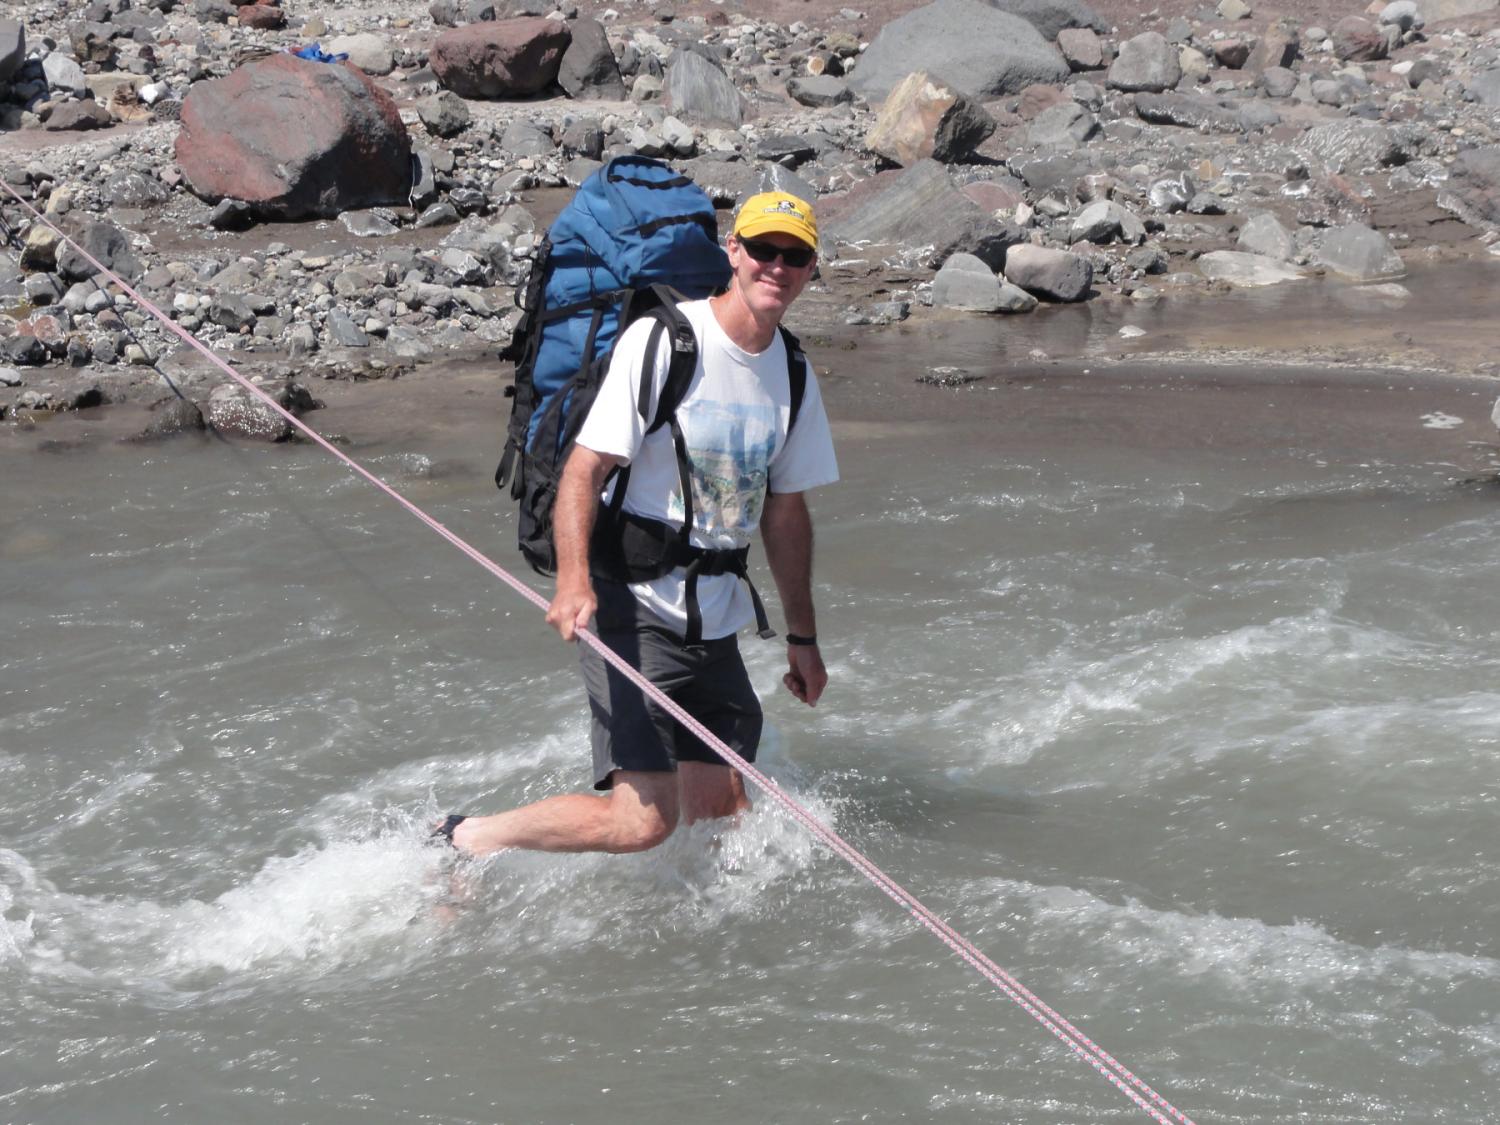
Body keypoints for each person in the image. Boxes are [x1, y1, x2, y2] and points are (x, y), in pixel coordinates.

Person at [438, 191, 839, 857]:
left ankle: (706, 951)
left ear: (809, 268)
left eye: (794, 255)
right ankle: (463, 838)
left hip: (714, 618)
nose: (777, 265)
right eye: (763, 249)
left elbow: (787, 511)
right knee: (643, 822)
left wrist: (803, 636)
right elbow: (584, 470)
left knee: (725, 812)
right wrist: (572, 582)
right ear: (733, 253)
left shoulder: (794, 373)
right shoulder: (666, 341)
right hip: (633, 604)